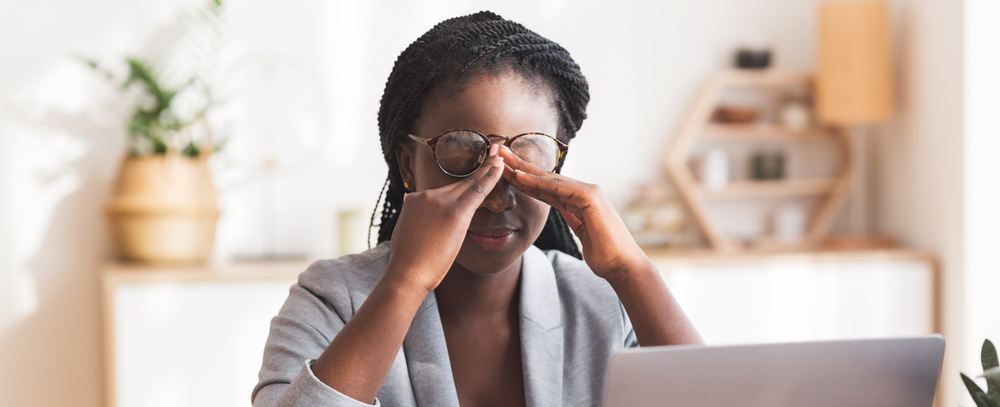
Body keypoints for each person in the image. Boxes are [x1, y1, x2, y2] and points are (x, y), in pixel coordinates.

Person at [252, 11, 701, 407]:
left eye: (529, 155)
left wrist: (630, 272)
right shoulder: (331, 298)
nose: (497, 194)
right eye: (463, 153)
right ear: (409, 165)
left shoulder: (604, 303)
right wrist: (406, 282)